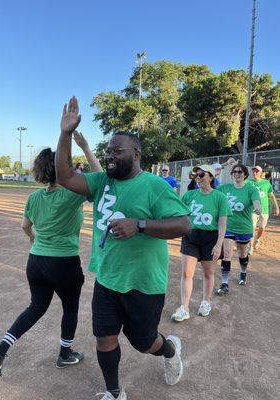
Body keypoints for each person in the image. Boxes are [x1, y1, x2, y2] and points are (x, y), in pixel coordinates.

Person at [56, 96, 192, 400]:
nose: (110, 156)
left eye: (118, 151)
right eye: (108, 151)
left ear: (137, 154)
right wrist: (65, 134)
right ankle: (115, 392)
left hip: (142, 282)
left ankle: (169, 349)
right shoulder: (103, 181)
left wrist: (140, 225)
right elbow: (65, 176)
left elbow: (184, 224)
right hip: (107, 279)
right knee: (104, 338)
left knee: (144, 342)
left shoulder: (154, 186)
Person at [0, 134, 102, 379]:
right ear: (61, 167)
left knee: (36, 307)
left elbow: (25, 226)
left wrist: (32, 238)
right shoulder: (72, 194)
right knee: (70, 308)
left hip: (36, 261)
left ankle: (1, 350)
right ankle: (65, 354)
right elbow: (100, 178)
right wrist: (85, 147)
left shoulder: (35, 197)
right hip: (64, 262)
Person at [171, 164, 230, 322]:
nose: (198, 177)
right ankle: (184, 308)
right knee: (186, 273)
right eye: (196, 175)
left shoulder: (220, 197)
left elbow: (222, 224)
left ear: (210, 177)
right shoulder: (189, 195)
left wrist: (219, 245)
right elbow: (178, 213)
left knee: (208, 273)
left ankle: (206, 302)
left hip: (211, 238)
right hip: (191, 236)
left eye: (201, 175)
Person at [216, 164, 261, 293]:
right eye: (234, 172)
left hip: (244, 228)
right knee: (228, 253)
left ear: (245, 174)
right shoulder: (225, 188)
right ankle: (224, 284)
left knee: (242, 253)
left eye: (240, 172)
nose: (237, 174)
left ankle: (243, 271)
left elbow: (256, 201)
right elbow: (212, 193)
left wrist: (258, 208)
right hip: (228, 227)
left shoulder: (251, 189)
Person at [248, 166, 279, 254]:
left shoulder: (266, 183)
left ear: (261, 173)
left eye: (257, 171)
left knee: (262, 228)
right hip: (252, 209)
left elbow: (271, 195)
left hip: (264, 210)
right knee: (252, 228)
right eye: (253, 171)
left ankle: (257, 239)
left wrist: (276, 207)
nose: (254, 173)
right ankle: (250, 247)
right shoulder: (249, 182)